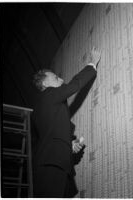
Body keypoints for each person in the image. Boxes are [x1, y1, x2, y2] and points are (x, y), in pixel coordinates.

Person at [31, 47, 101, 197]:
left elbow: (51, 135)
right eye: (56, 77)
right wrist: (93, 63)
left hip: (53, 164)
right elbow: (74, 85)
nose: (61, 80)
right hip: (52, 166)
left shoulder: (43, 107)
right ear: (44, 84)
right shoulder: (48, 95)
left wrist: (68, 145)